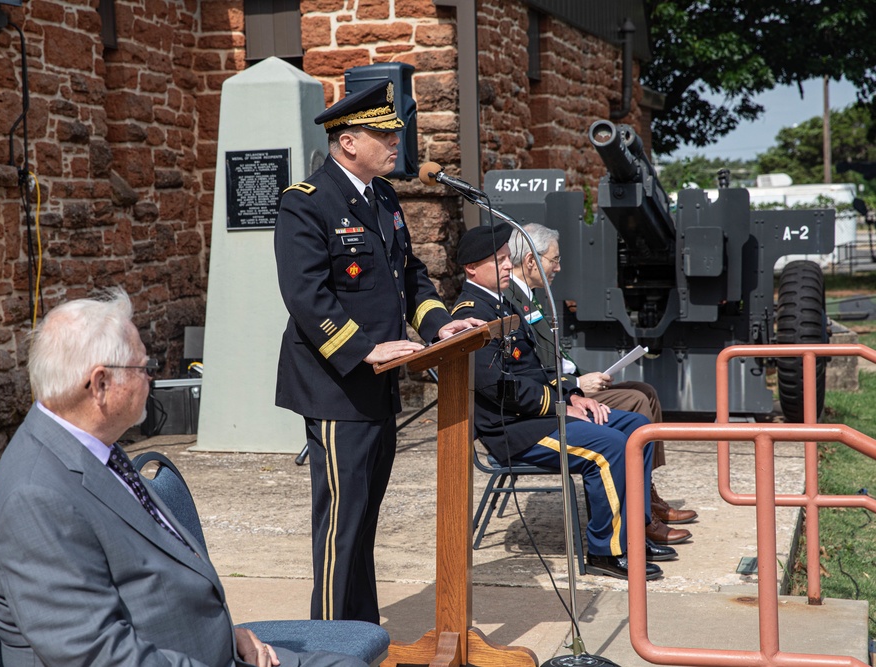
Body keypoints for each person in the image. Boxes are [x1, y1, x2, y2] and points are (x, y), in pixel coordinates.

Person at [0, 289, 365, 667]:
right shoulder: (35, 496)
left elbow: (148, 582)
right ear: (100, 385)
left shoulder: (90, 446)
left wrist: (228, 637)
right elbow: (98, 655)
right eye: (143, 368)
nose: (151, 378)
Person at [273, 79, 477, 623]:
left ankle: (360, 632)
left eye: (396, 133)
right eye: (384, 134)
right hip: (336, 386)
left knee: (365, 521)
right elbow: (305, 294)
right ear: (347, 143)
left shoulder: (383, 197)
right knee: (342, 523)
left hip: (381, 384)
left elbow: (409, 276)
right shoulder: (306, 204)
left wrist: (438, 327)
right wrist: (364, 350)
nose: (396, 144)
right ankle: (329, 643)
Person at [451, 223, 678, 580]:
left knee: (636, 428)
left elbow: (538, 368)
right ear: (471, 270)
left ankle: (633, 534)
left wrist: (574, 396)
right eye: (499, 262)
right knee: (610, 448)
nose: (508, 266)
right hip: (516, 430)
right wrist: (561, 406)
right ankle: (606, 551)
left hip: (538, 415)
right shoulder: (470, 314)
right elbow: (500, 389)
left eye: (507, 260)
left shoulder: (499, 303)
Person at [505, 223, 696, 545]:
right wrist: (576, 385)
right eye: (554, 260)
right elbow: (530, 369)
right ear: (530, 261)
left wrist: (579, 382)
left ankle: (645, 493)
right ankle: (640, 510)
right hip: (552, 401)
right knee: (636, 404)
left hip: (565, 388)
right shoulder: (512, 300)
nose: (558, 267)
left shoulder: (530, 297)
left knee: (644, 391)